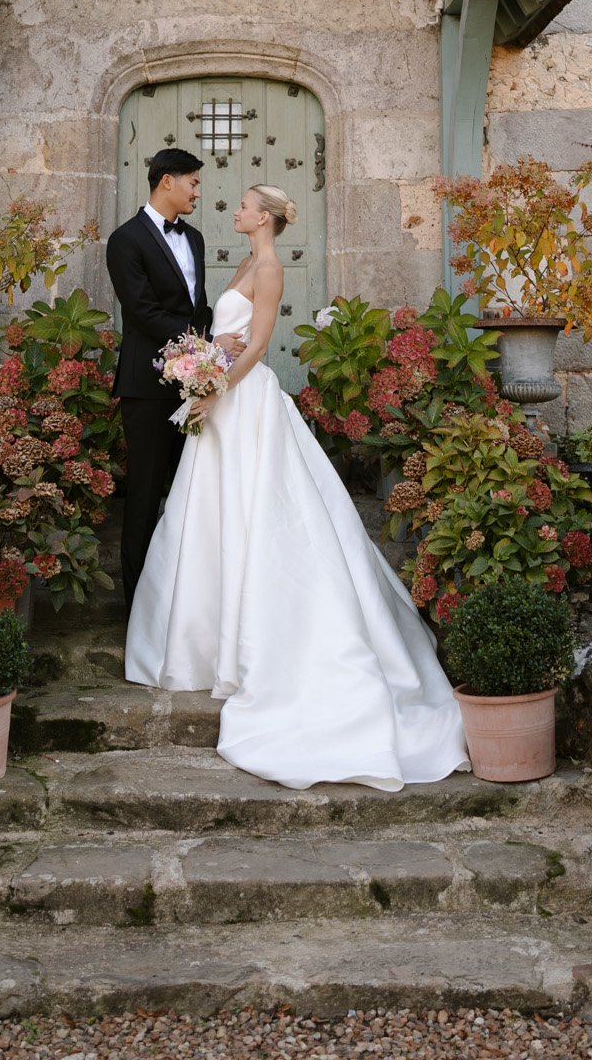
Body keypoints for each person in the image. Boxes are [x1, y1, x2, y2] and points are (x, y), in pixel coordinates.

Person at [125, 183, 470, 793]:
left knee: (259, 512)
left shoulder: (272, 267)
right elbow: (229, 334)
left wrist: (214, 386)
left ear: (263, 216)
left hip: (244, 402)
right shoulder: (243, 262)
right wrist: (207, 355)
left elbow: (257, 348)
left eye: (241, 204)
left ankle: (257, 646)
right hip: (224, 400)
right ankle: (201, 641)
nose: (231, 209)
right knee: (210, 514)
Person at [105, 147, 219, 613]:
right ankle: (138, 615)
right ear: (166, 181)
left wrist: (213, 353)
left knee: (192, 493)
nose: (197, 191)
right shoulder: (125, 240)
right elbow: (142, 311)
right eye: (192, 182)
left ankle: (184, 609)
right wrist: (198, 347)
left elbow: (198, 305)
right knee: (145, 496)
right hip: (147, 387)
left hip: (194, 388)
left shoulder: (194, 239)